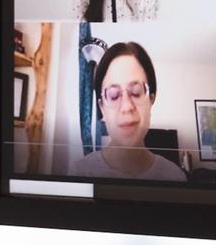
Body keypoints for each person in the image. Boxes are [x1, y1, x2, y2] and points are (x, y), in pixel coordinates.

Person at [72, 42, 188, 181]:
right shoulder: (78, 174)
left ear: (151, 99)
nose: (127, 107)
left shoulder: (176, 177)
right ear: (102, 107)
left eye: (136, 92)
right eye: (114, 95)